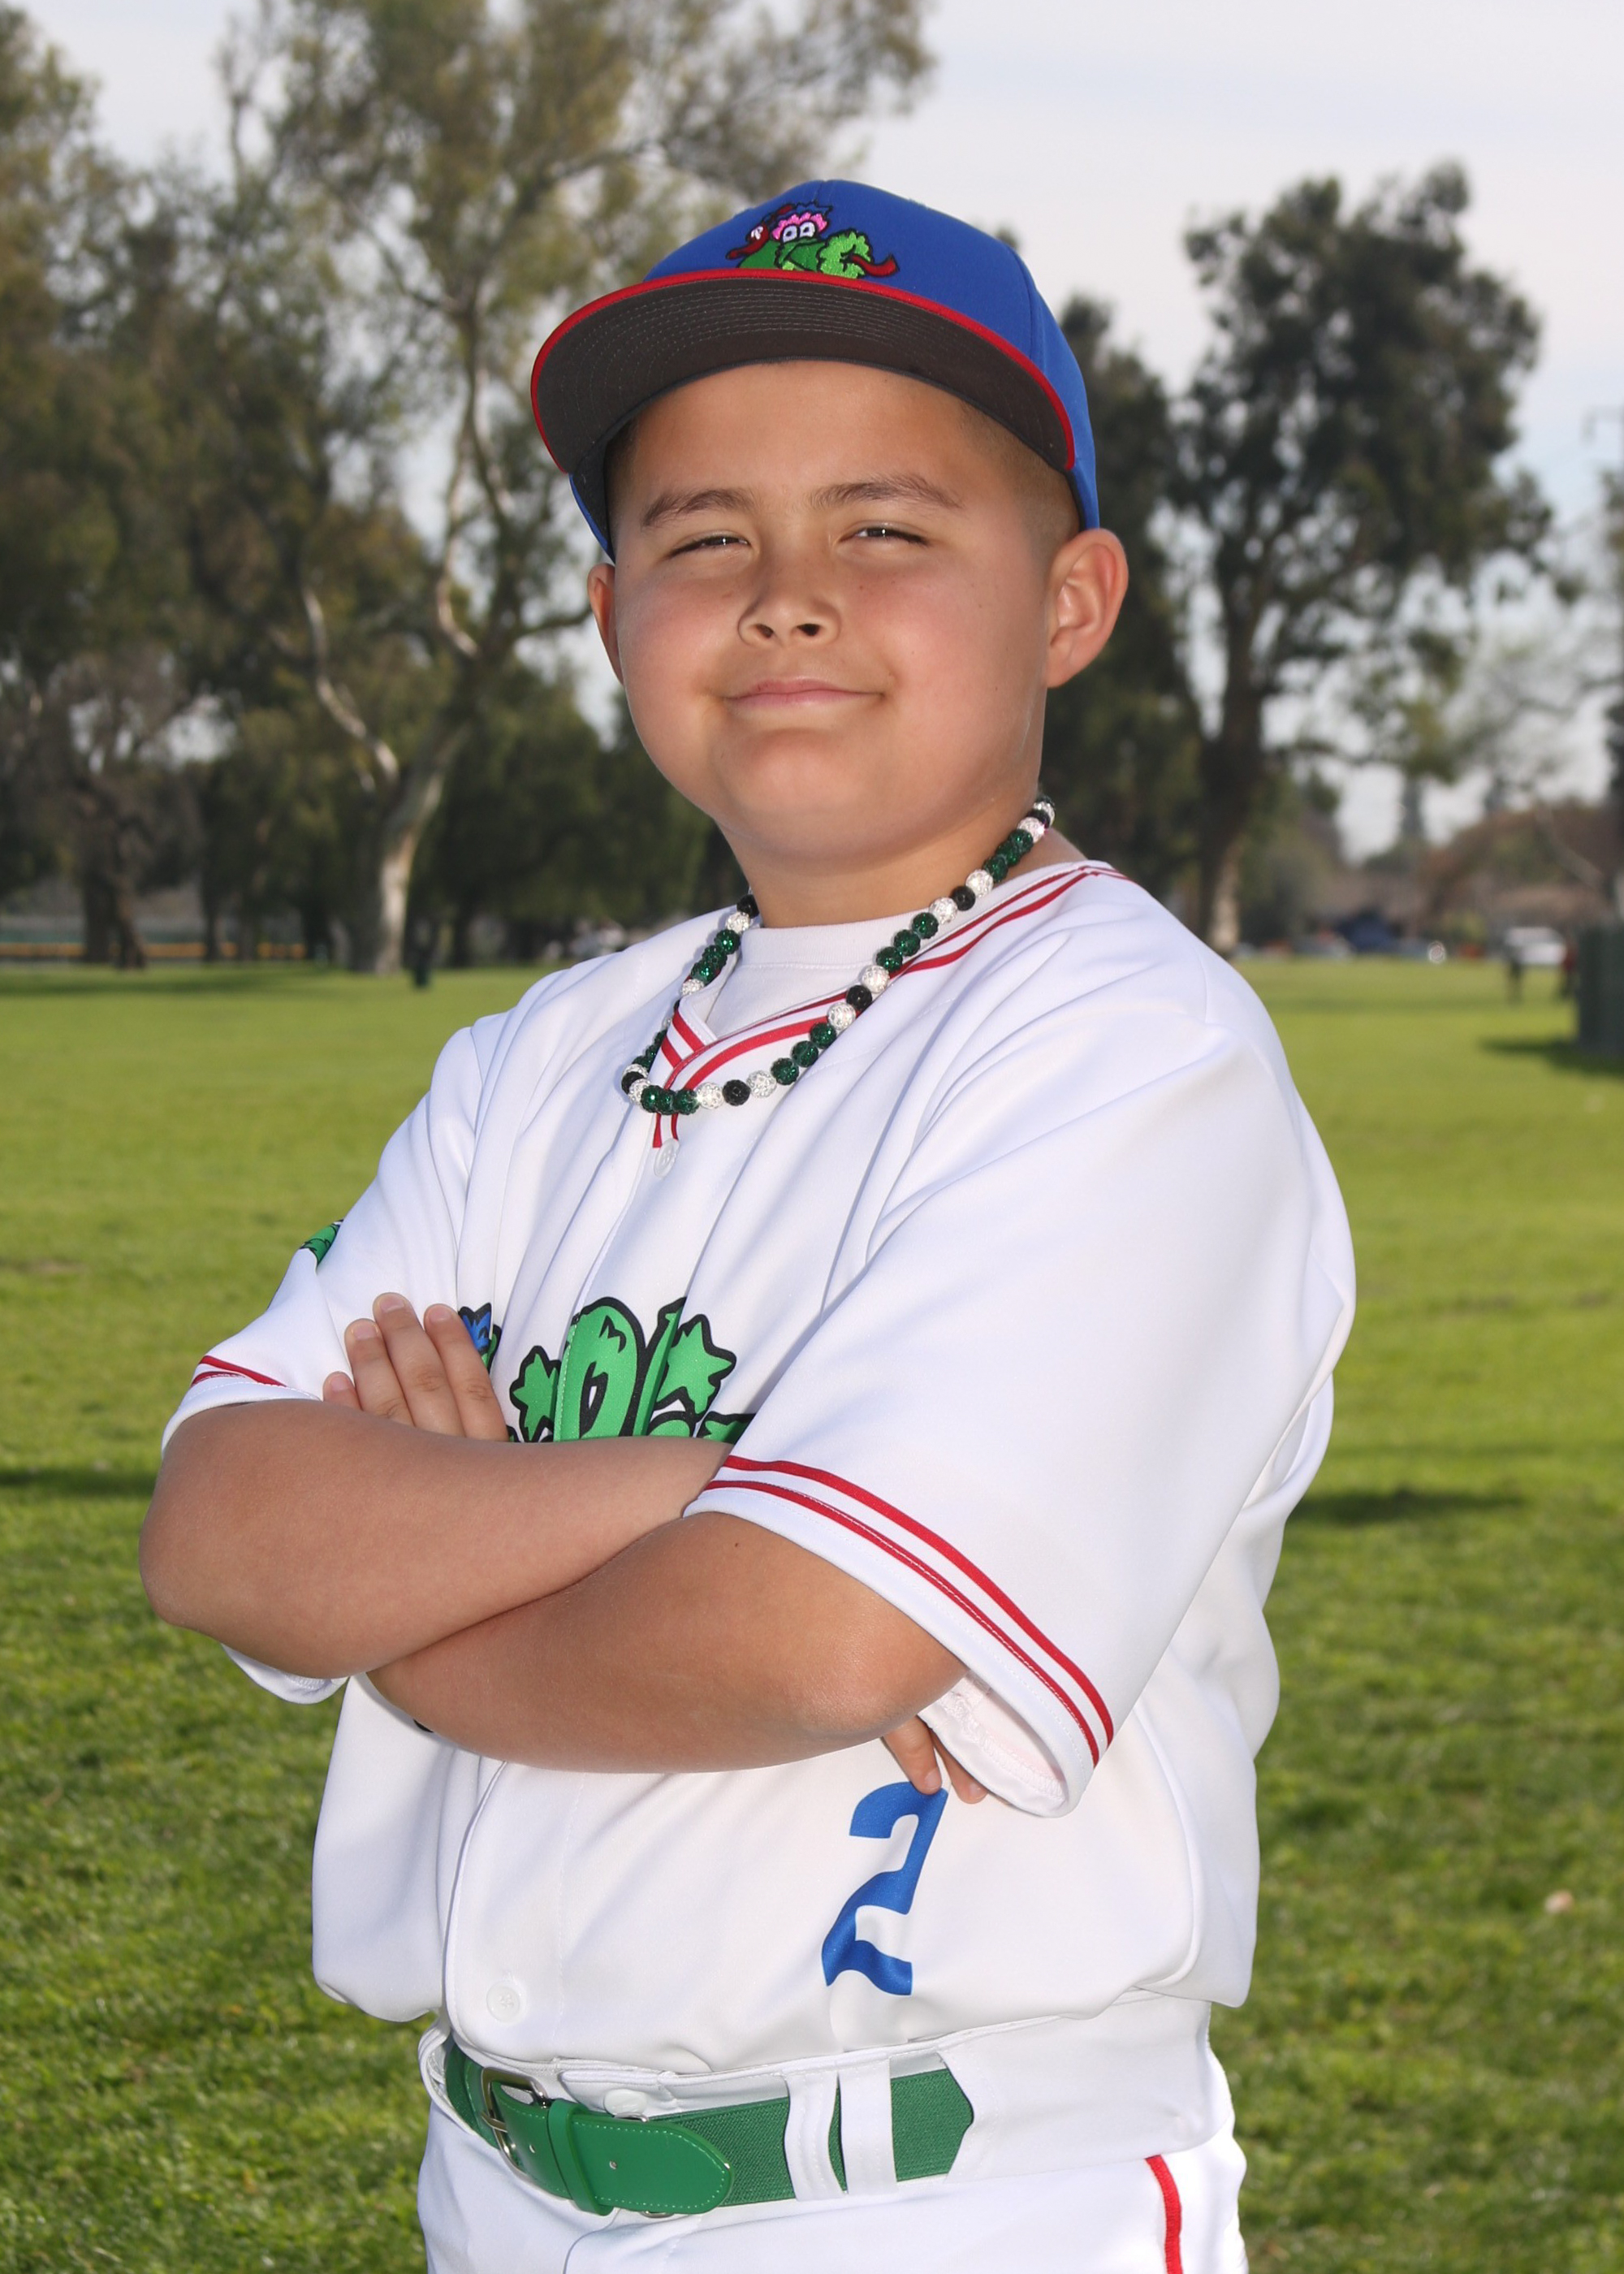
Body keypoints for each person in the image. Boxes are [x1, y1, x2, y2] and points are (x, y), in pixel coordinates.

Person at [140, 182, 1355, 2273]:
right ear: (613, 611)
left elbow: (814, 1641)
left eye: (885, 528)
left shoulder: (1130, 1046)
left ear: (1069, 599)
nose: (788, 599)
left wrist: (424, 1599)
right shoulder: (534, 1058)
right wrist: (714, 1481)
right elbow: (224, 1527)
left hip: (952, 2201)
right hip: (498, 2185)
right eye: (704, 537)